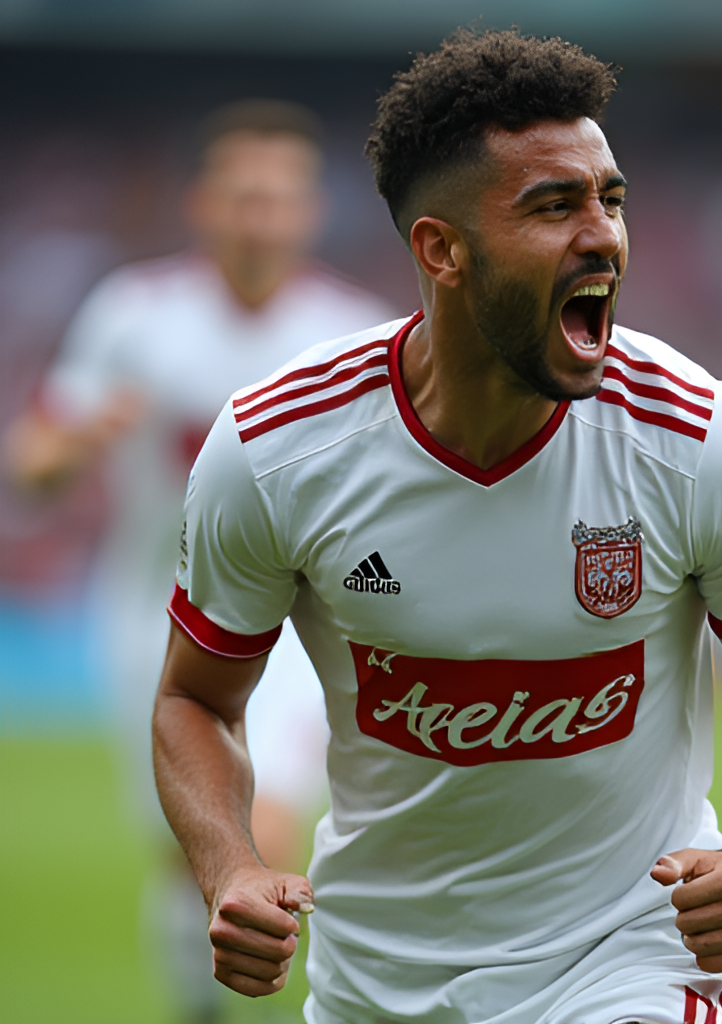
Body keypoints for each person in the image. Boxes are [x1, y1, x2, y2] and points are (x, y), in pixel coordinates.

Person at [153, 32, 722, 1024]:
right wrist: (227, 864)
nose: (603, 235)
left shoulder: (705, 442)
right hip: (374, 983)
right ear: (440, 250)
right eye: (552, 205)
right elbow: (194, 698)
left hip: (628, 960)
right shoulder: (277, 447)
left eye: (610, 199)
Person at [4, 99, 393, 1022]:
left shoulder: (353, 332)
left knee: (262, 828)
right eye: (244, 195)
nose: (262, 216)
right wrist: (66, 447)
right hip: (156, 615)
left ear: (309, 211)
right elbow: (36, 459)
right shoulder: (135, 315)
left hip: (299, 625)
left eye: (281, 197)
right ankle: (200, 1004)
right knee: (191, 859)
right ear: (203, 204)